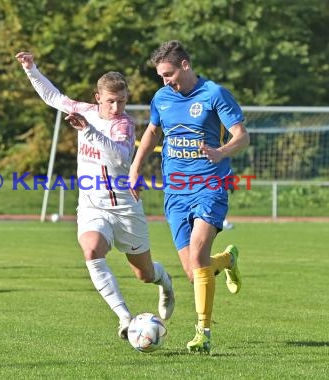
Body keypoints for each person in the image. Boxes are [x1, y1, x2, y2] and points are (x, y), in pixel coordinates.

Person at [15, 51, 175, 339]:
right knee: (91, 251)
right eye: (111, 100)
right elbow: (53, 97)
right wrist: (31, 69)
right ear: (97, 97)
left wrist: (88, 132)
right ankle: (125, 318)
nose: (116, 106)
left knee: (144, 274)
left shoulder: (123, 124)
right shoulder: (85, 111)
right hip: (92, 206)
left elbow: (119, 158)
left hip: (125, 207)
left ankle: (165, 282)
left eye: (122, 101)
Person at [129, 40, 250, 353]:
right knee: (192, 270)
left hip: (210, 185)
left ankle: (203, 333)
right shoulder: (161, 97)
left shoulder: (214, 94)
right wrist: (135, 168)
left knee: (197, 258)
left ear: (185, 65)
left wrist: (220, 152)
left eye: (169, 73)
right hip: (175, 191)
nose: (166, 80)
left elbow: (241, 136)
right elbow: (153, 132)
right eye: (161, 76)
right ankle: (227, 259)